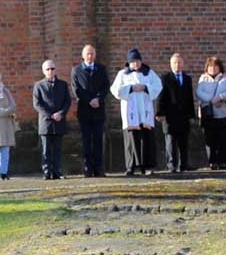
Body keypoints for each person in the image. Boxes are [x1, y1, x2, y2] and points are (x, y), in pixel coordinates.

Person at [109, 47, 161, 176]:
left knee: (146, 139)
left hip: (145, 112)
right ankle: (130, 167)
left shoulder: (148, 73)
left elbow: (158, 86)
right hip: (131, 112)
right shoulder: (123, 74)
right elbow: (115, 89)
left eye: (137, 61)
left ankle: (147, 166)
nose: (136, 64)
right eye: (133, 62)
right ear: (129, 62)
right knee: (131, 140)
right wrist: (130, 88)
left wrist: (145, 87)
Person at [70, 44, 111, 177]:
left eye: (92, 53)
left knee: (98, 140)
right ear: (83, 56)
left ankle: (99, 168)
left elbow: (106, 87)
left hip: (98, 110)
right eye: (87, 54)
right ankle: (87, 168)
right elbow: (76, 89)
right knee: (86, 140)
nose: (90, 56)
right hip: (84, 110)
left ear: (95, 55)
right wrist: (89, 100)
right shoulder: (76, 70)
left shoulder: (101, 69)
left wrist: (98, 99)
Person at [156, 51, 196, 173]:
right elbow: (161, 97)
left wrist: (192, 115)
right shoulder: (165, 78)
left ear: (183, 64)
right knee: (171, 141)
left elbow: (190, 98)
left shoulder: (187, 79)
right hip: (170, 115)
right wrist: (159, 112)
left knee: (184, 141)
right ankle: (171, 165)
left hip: (184, 115)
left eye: (179, 63)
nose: (177, 65)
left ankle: (184, 164)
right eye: (175, 63)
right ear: (171, 64)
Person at [32, 59, 70, 180]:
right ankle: (47, 172)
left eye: (52, 68)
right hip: (46, 122)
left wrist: (61, 113)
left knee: (57, 149)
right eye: (47, 69)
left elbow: (67, 102)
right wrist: (50, 115)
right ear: (43, 71)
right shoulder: (38, 85)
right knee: (46, 149)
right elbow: (37, 104)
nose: (50, 71)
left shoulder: (63, 85)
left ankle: (56, 171)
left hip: (59, 121)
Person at [195, 55, 226, 170]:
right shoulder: (203, 79)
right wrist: (211, 99)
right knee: (210, 139)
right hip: (208, 114)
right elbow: (199, 92)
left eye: (215, 66)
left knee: (223, 139)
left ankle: (222, 161)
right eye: (210, 66)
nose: (213, 68)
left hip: (223, 114)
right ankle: (212, 161)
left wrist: (220, 97)